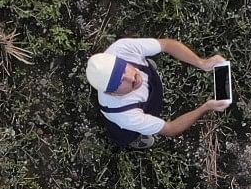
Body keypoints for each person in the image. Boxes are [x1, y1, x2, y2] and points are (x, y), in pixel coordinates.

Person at [84, 36, 229, 149]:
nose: (131, 78)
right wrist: (206, 107)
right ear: (113, 94)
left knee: (146, 71)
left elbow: (166, 44)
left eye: (123, 68)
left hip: (144, 93)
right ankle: (135, 139)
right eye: (119, 82)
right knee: (126, 135)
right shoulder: (124, 115)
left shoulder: (122, 48)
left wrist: (201, 63)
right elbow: (170, 129)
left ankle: (147, 68)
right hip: (132, 118)